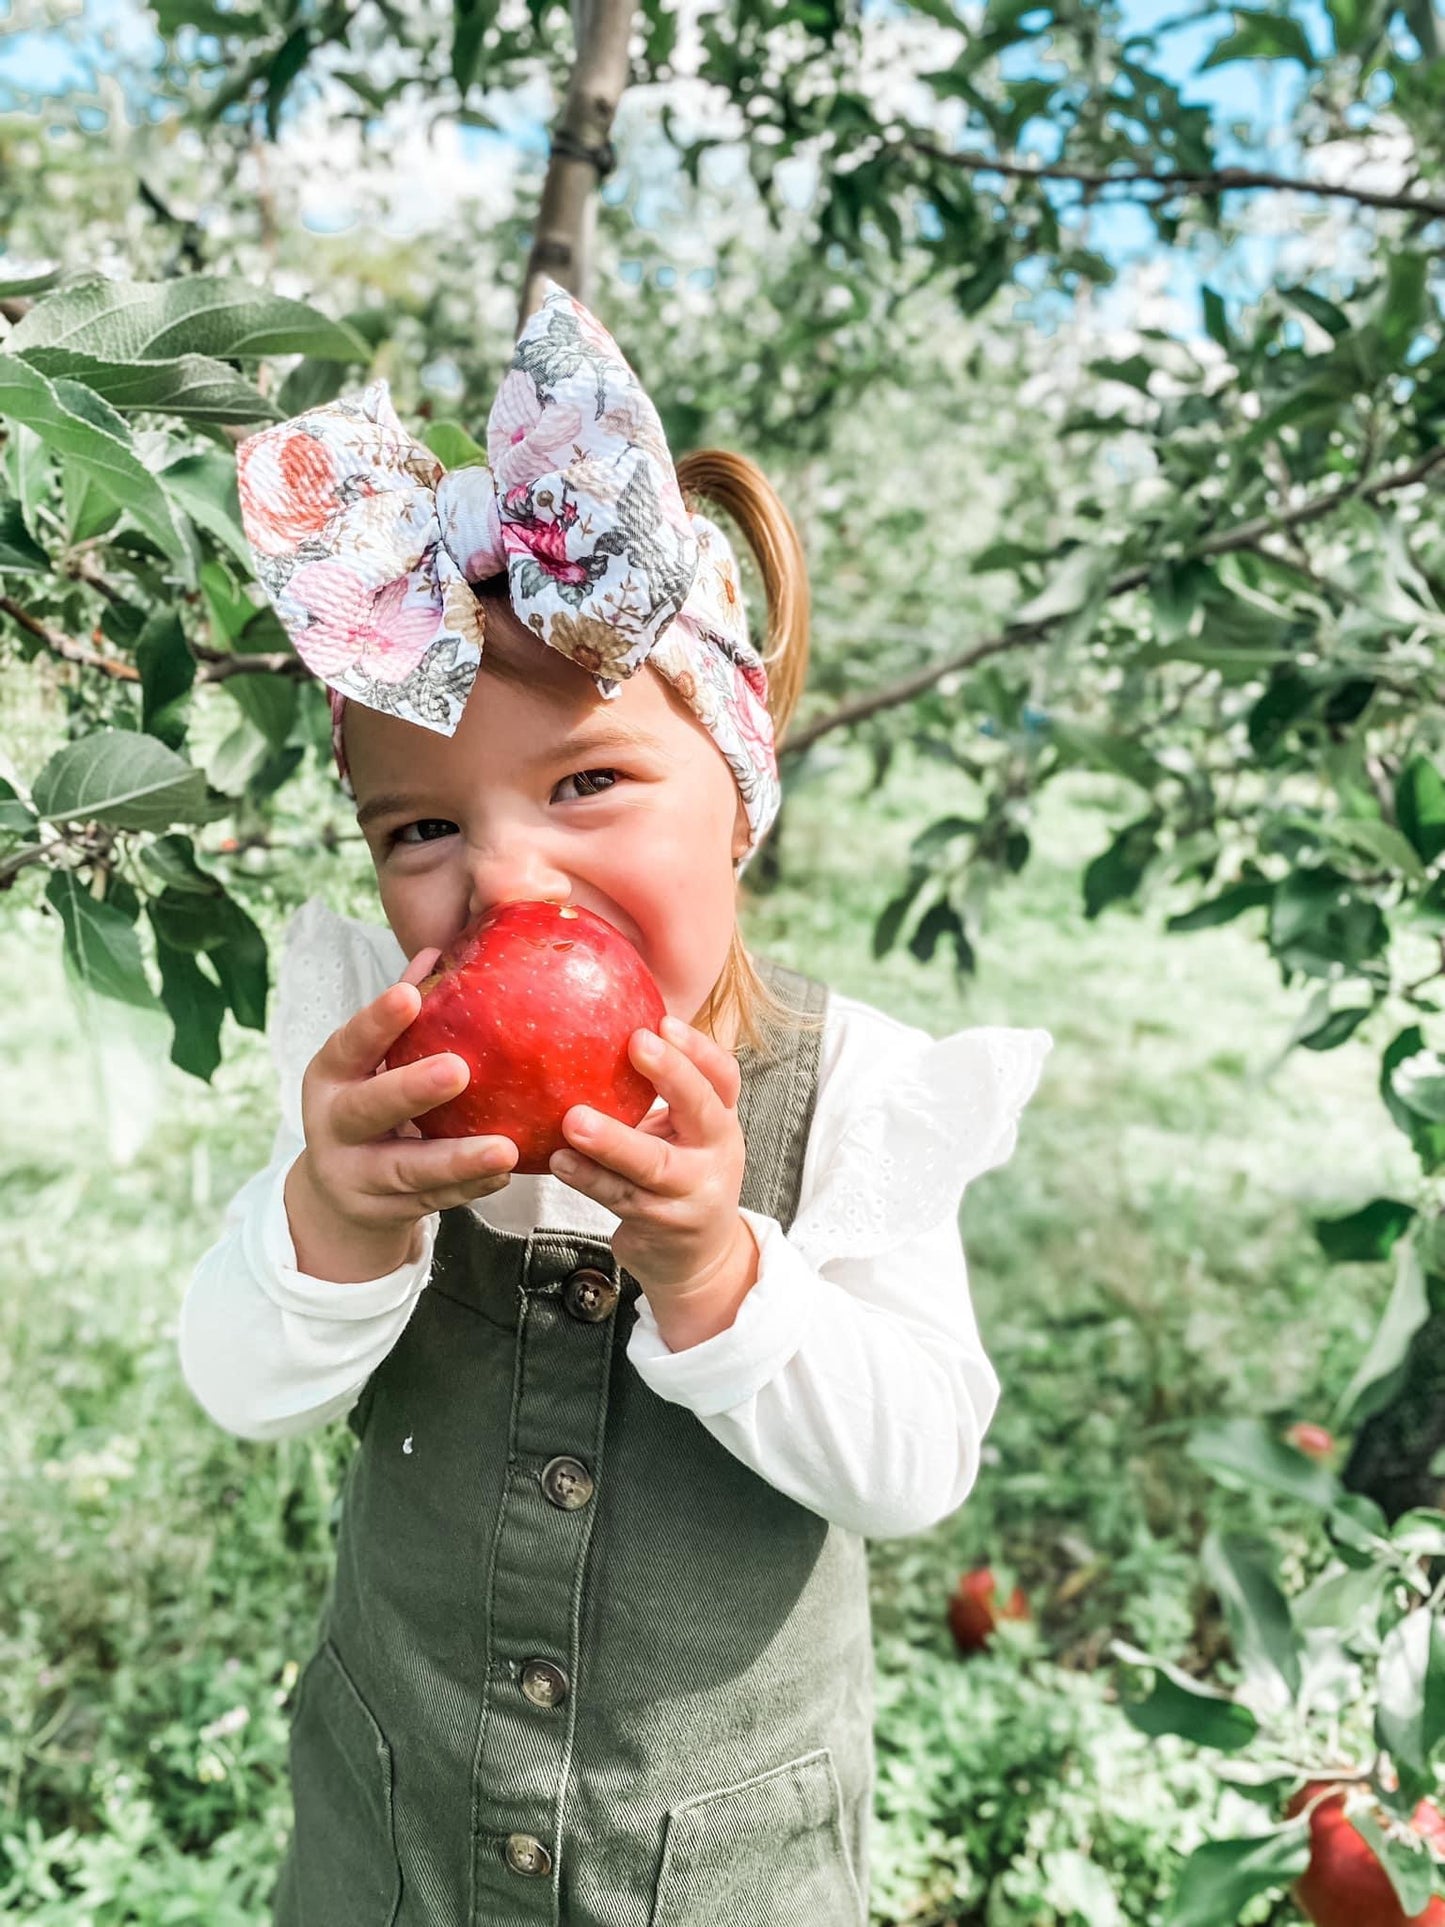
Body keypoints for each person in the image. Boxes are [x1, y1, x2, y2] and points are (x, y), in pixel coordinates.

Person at [179, 282, 1052, 1927]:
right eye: (418, 830)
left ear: (738, 798)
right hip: (401, 1840)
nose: (501, 874)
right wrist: (329, 1219)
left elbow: (913, 1467)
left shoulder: (851, 1094)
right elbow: (243, 1389)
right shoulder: (379, 1083)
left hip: (710, 1874)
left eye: (585, 783)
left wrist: (719, 1274)